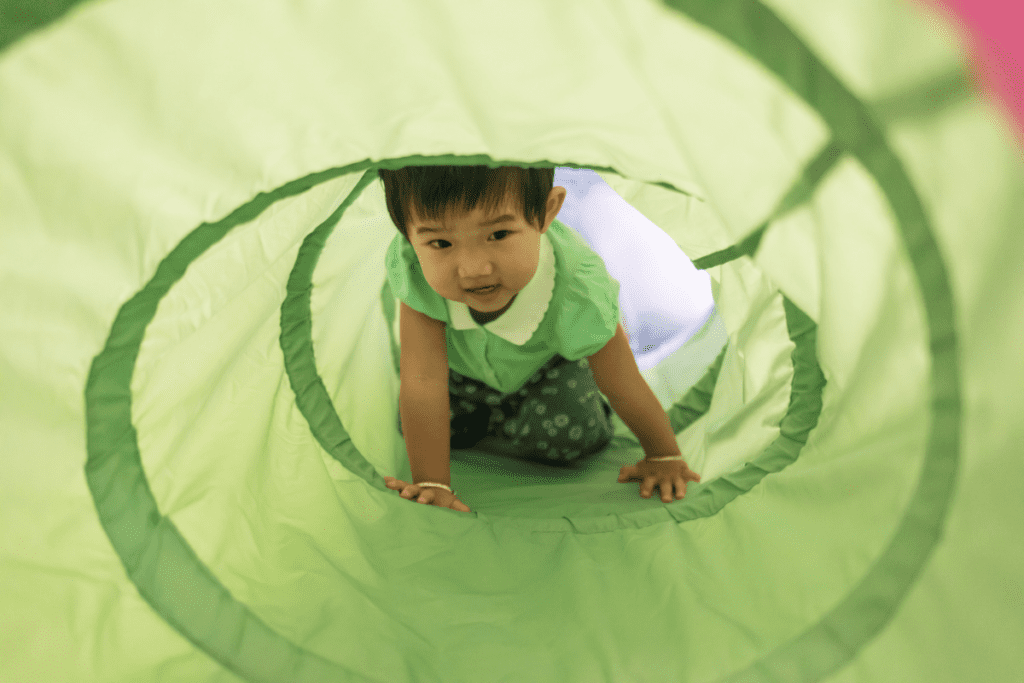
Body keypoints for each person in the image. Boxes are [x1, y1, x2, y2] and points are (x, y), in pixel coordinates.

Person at [379, 165, 701, 513]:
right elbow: (423, 378)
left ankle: (528, 409)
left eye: (499, 234)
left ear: (547, 212)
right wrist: (432, 484)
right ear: (408, 235)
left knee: (570, 442)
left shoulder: (577, 286)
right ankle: (498, 416)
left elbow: (621, 380)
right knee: (418, 425)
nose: (474, 268)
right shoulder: (414, 265)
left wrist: (663, 454)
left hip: (548, 369)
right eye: (441, 243)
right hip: (460, 371)